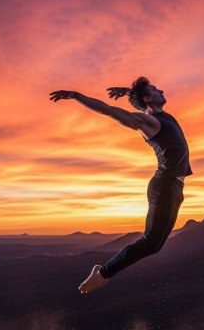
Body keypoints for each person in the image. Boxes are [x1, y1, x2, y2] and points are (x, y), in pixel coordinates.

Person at [49, 76, 192, 294]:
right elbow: (109, 110)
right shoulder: (149, 123)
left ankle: (103, 272)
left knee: (155, 245)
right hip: (163, 187)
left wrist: (129, 92)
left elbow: (142, 98)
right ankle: (101, 274)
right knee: (149, 242)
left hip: (175, 188)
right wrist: (77, 96)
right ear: (148, 98)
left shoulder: (163, 116)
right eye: (155, 89)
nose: (161, 89)